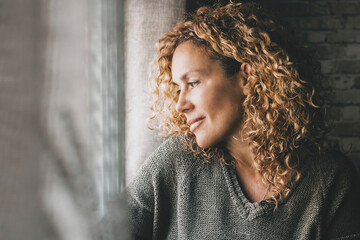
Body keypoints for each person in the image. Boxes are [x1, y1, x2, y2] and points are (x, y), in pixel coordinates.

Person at [127, 2, 360, 239]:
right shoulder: (175, 162)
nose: (180, 104)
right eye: (178, 89)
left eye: (193, 83)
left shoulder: (332, 181)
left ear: (247, 78)